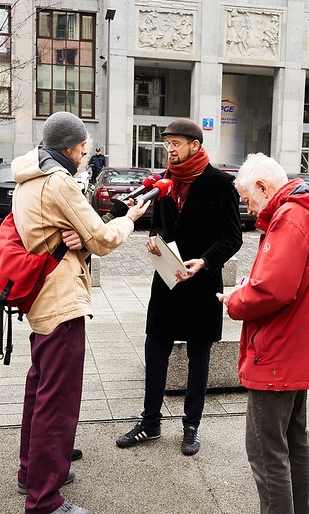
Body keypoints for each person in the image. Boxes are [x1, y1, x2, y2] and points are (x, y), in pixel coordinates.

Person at [12, 111, 148, 514]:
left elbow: (60, 234)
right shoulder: (59, 181)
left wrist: (77, 241)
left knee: (39, 389)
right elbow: (103, 238)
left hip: (39, 296)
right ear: (74, 146)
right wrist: (128, 219)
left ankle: (31, 472)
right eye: (84, 147)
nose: (86, 153)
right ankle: (44, 500)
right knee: (58, 400)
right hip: (61, 298)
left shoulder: (29, 176)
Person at [218, 152, 309, 514]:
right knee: (294, 441)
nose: (248, 208)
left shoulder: (290, 216)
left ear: (262, 186)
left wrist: (235, 300)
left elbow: (273, 289)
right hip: (299, 346)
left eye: (246, 198)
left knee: (265, 450)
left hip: (278, 351)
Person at [116, 118, 242, 456]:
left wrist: (204, 261)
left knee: (199, 354)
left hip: (202, 283)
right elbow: (158, 224)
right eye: (167, 143)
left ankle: (191, 426)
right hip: (167, 280)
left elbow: (233, 237)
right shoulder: (163, 184)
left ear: (195, 146)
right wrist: (154, 240)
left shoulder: (221, 184)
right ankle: (151, 422)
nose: (169, 148)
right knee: (155, 347)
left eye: (175, 143)